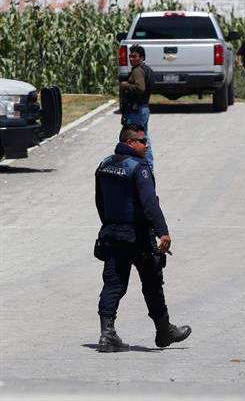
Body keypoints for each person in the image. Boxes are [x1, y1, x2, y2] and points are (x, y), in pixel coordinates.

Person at [94, 124, 191, 353]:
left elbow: (100, 201)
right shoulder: (139, 167)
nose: (147, 145)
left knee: (113, 283)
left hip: (112, 234)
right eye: (142, 141)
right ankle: (164, 329)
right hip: (138, 236)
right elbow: (150, 203)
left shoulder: (104, 164)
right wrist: (162, 231)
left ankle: (107, 334)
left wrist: (109, 224)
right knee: (153, 282)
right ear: (130, 142)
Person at [119, 44, 154, 167]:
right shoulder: (145, 69)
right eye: (130, 56)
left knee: (133, 138)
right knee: (143, 137)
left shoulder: (137, 70)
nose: (131, 59)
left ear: (141, 57)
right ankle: (147, 166)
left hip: (136, 111)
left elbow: (140, 88)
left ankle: (141, 166)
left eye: (134, 56)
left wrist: (125, 85)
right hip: (143, 109)